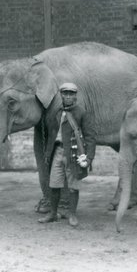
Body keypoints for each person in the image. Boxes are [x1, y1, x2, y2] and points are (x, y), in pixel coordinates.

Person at [38, 82, 96, 227]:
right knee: (54, 185)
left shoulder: (81, 112)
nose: (68, 96)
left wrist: (89, 157)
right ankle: (52, 213)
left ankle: (73, 214)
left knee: (73, 186)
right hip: (57, 152)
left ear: (75, 96)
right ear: (61, 95)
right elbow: (51, 133)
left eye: (71, 94)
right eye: (65, 94)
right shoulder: (57, 112)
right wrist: (48, 152)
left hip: (74, 153)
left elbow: (90, 136)